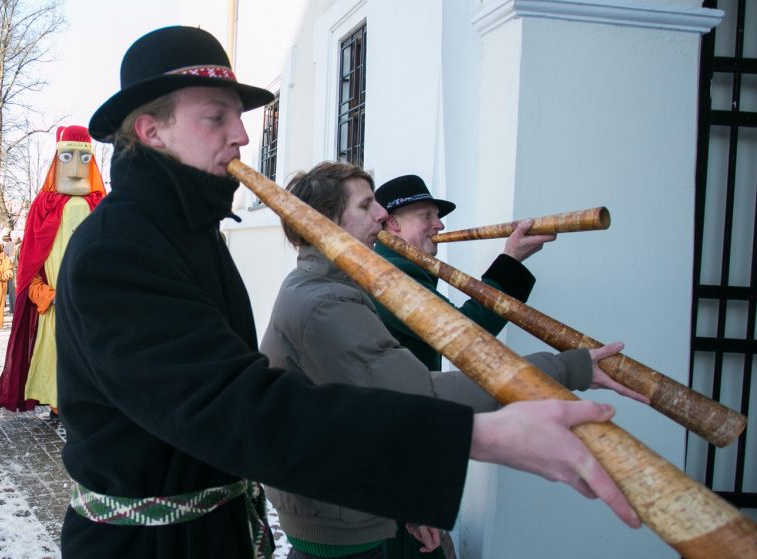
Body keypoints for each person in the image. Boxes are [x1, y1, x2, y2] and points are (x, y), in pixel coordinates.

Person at [55, 26, 641, 558]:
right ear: (151, 130)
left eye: (240, 117)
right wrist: (476, 436)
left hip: (211, 534)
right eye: (217, 117)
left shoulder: (188, 232)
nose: (241, 136)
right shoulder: (120, 248)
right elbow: (235, 408)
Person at [259, 162, 649, 559]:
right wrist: (568, 368)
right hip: (337, 514)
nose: (381, 214)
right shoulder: (328, 300)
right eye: (367, 206)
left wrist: (404, 500)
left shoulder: (334, 285)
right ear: (326, 222)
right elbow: (427, 386)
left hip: (353, 503)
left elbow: (370, 407)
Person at [373, 175, 555, 371]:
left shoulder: (391, 264)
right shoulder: (391, 272)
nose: (440, 225)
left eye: (438, 216)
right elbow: (463, 335)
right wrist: (511, 260)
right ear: (393, 223)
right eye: (426, 215)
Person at [0, 125, 105, 417]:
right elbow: (31, 266)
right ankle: (57, 406)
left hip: (88, 309)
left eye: (83, 158)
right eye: (68, 157)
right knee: (56, 356)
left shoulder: (100, 206)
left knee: (85, 359)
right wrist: (48, 294)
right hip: (54, 308)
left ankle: (81, 407)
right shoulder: (44, 206)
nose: (77, 169)